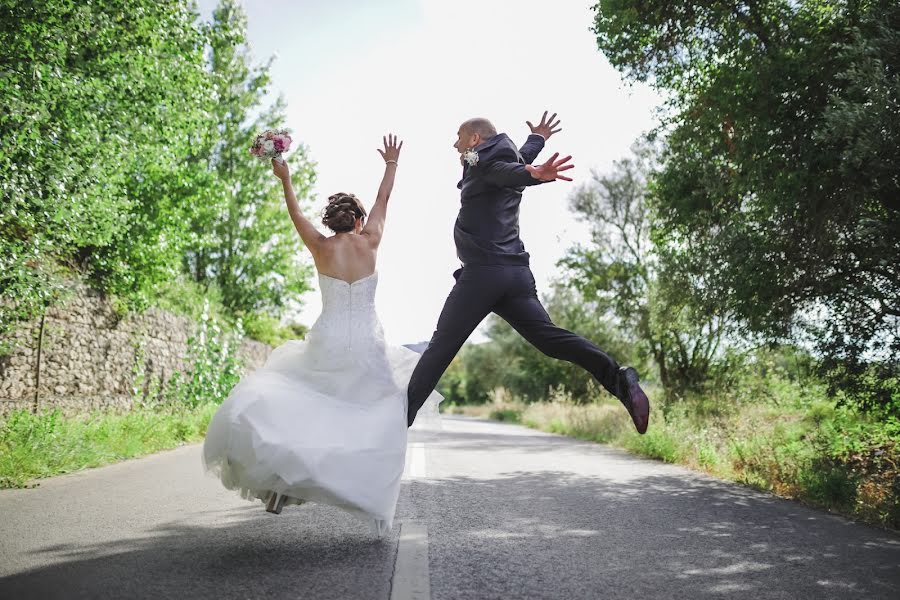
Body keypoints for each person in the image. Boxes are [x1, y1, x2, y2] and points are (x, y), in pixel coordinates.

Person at [203, 135, 441, 535]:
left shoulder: (318, 245)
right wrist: (391, 164)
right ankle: (372, 502)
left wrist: (285, 178)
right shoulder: (372, 241)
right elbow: (385, 199)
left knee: (304, 409)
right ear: (360, 221)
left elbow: (293, 211)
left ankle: (280, 485)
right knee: (376, 417)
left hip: (328, 339)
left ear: (331, 221)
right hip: (366, 342)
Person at [406, 113, 649, 433]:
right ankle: (620, 379)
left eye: (459, 137)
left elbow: (509, 171)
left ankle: (396, 423)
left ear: (475, 140)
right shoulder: (495, 157)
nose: (455, 144)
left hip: (482, 276)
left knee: (441, 348)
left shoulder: (486, 164)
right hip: (515, 276)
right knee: (551, 340)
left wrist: (532, 174)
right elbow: (517, 163)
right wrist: (538, 141)